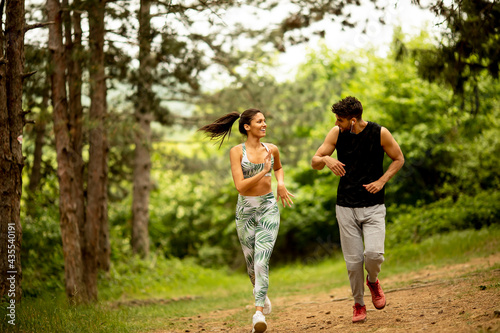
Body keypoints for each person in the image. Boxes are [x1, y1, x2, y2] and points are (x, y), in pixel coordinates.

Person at [199, 108, 294, 333]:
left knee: (262, 261)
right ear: (246, 127)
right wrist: (264, 172)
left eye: (265, 121)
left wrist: (280, 183)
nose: (265, 124)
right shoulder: (236, 152)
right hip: (245, 211)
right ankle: (261, 292)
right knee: (252, 265)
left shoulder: (272, 149)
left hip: (268, 207)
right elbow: (240, 186)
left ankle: (258, 313)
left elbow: (278, 168)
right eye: (260, 121)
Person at [311, 96, 404, 323]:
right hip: (345, 206)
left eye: (340, 119)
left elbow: (398, 159)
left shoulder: (380, 133)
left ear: (353, 120)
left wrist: (382, 181)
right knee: (353, 264)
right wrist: (326, 159)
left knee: (373, 255)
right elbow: (314, 161)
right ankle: (359, 304)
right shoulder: (336, 133)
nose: (336, 123)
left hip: (374, 206)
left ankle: (373, 281)